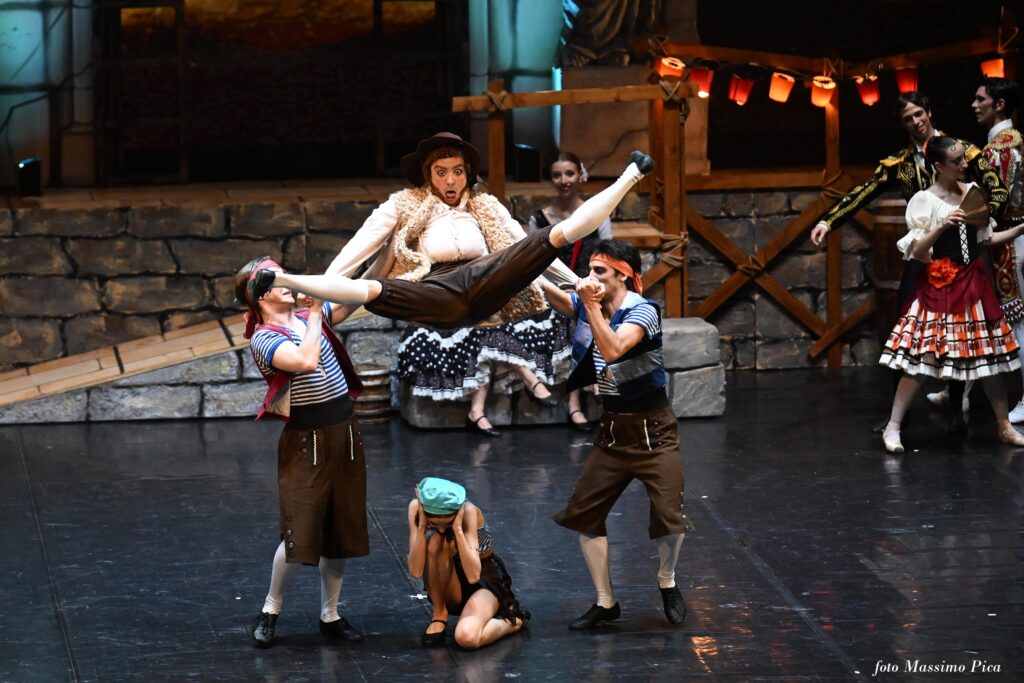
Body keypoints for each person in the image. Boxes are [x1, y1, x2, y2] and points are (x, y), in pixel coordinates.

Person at [247, 133, 653, 330]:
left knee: (549, 238)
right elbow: (359, 248)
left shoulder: (485, 206)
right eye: (441, 172)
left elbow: (530, 251)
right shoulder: (403, 205)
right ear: (429, 175)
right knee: (372, 290)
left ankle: (631, 174)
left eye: (457, 171)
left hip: (485, 280)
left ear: (467, 173)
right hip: (434, 290)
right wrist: (323, 287)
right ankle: (282, 280)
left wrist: (575, 282)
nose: (451, 180)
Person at [809, 92, 1009, 431]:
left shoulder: (960, 151)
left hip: (959, 255)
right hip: (923, 253)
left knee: (959, 330)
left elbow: (996, 186)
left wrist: (983, 218)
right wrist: (829, 221)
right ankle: (897, 414)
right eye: (908, 118)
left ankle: (955, 405)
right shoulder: (899, 164)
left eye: (919, 114)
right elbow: (863, 192)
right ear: (902, 124)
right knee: (904, 327)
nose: (916, 122)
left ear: (929, 112)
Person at [543, 239, 696, 630]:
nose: (591, 277)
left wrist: (588, 303)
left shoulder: (643, 311)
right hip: (612, 430)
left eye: (600, 271)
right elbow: (549, 290)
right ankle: (605, 601)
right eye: (590, 270)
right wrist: (521, 260)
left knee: (670, 516)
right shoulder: (589, 304)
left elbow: (612, 349)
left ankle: (667, 580)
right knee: (585, 515)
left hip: (653, 430)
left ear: (623, 276)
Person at [237, 257, 368, 649]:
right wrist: (314, 312)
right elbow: (305, 361)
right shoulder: (265, 338)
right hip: (306, 440)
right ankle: (270, 608)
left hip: (343, 431)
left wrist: (387, 252)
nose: (288, 282)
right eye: (277, 280)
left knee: (339, 531)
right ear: (261, 297)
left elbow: (356, 296)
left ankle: (331, 615)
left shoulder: (310, 316)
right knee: (300, 534)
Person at [877, 136, 1024, 453]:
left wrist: (1020, 229)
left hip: (973, 285)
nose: (964, 164)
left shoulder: (972, 192)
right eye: (957, 160)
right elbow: (918, 251)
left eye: (963, 158)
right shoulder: (925, 201)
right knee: (921, 361)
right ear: (939, 166)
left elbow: (987, 239)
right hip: (940, 287)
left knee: (989, 361)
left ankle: (1003, 425)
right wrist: (942, 225)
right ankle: (893, 427)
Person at [529, 151, 613, 431]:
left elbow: (609, 258)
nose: (564, 180)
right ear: (551, 179)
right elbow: (532, 262)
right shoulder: (539, 219)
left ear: (580, 175)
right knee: (577, 316)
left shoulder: (596, 213)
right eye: (557, 175)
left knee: (585, 315)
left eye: (569, 173)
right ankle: (580, 398)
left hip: (589, 288)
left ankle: (576, 400)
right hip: (552, 292)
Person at [399, 312, 570, 437]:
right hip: (453, 310)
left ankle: (476, 412)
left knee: (491, 322)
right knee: (486, 325)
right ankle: (532, 382)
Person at [407, 477, 529, 649]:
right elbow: (415, 571)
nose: (441, 529)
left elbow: (473, 576)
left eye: (446, 523)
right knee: (435, 540)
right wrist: (422, 527)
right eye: (434, 523)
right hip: (446, 581)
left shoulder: (469, 511)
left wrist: (457, 529)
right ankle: (439, 614)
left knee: (467, 638)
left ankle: (512, 622)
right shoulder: (415, 508)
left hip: (482, 580)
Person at [973, 76, 1024, 423]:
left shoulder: (1001, 147)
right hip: (1009, 237)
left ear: (999, 104)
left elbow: (998, 201)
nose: (974, 105)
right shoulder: (1006, 141)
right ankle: (961, 393)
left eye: (981, 100)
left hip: (1009, 240)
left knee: (1018, 322)